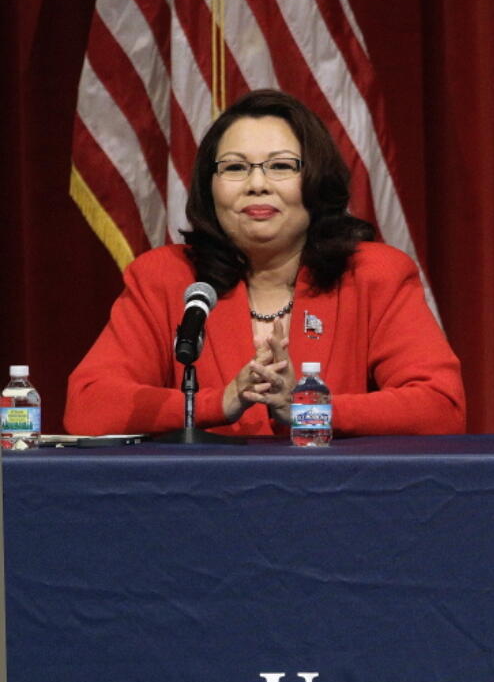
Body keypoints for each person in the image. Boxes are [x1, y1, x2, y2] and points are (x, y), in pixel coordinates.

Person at [66, 89, 465, 437]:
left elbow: (440, 407)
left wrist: (309, 410)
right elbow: (89, 405)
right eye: (236, 168)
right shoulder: (166, 277)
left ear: (316, 181)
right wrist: (218, 403)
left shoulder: (373, 275)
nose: (257, 183)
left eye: (280, 166)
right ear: (210, 187)